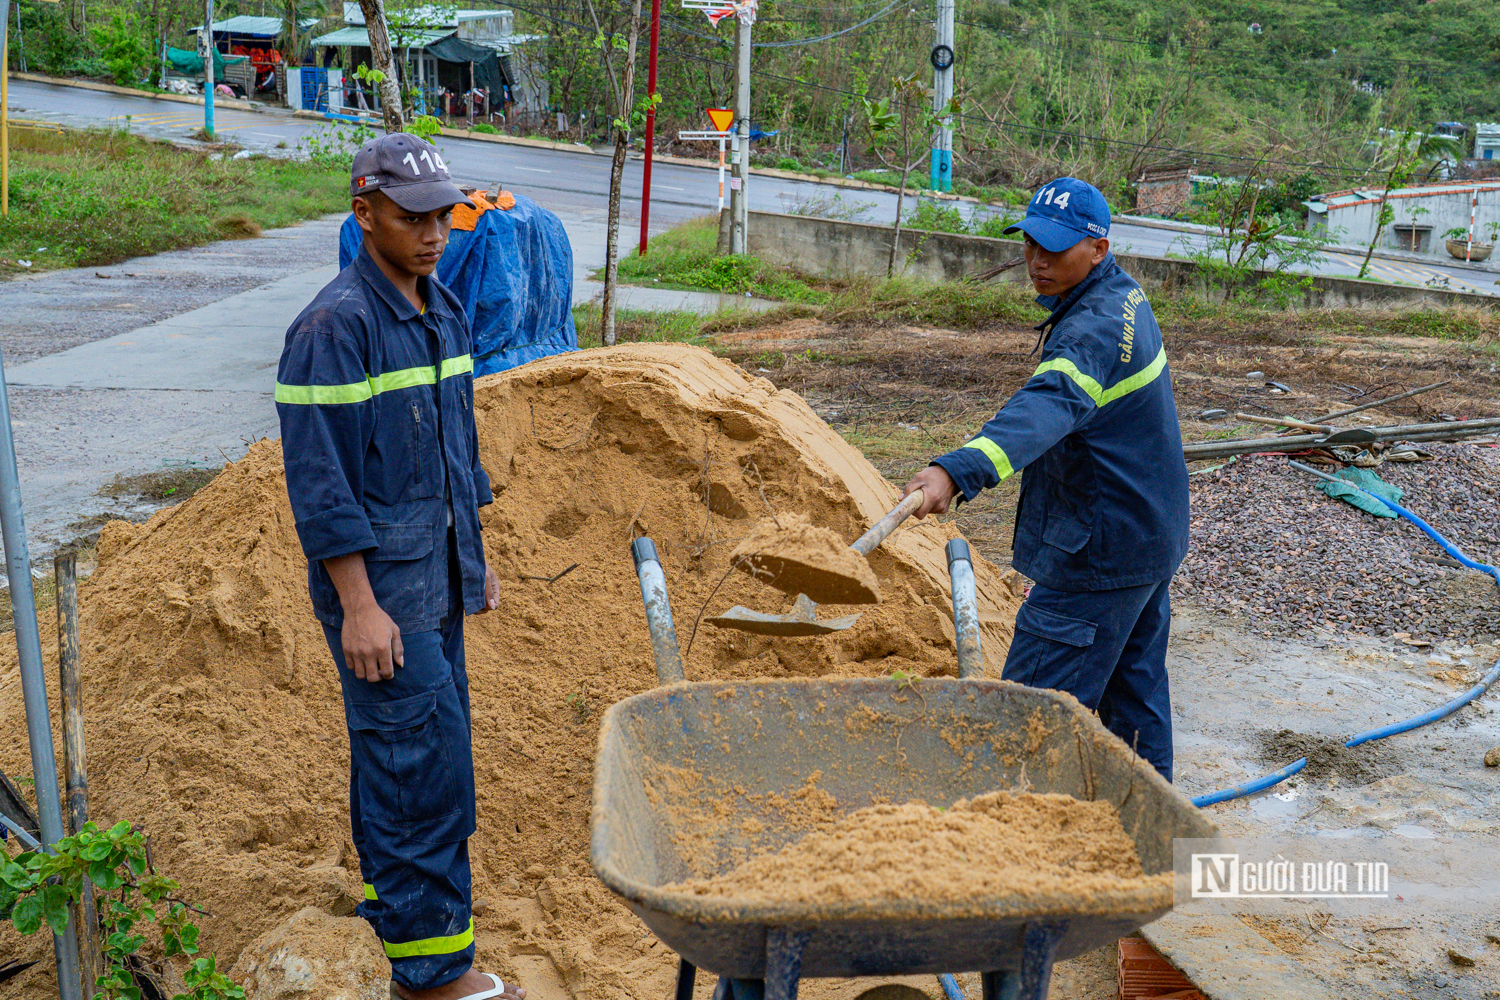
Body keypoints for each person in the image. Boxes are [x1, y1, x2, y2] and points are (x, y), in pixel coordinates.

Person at [275, 132, 526, 1000]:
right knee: (416, 771)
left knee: (417, 758)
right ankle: (432, 977)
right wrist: (358, 606)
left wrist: (475, 561)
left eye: (442, 217)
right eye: (411, 216)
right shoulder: (333, 329)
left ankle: (399, 929)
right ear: (365, 212)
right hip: (384, 598)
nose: (432, 232)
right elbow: (321, 483)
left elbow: (458, 449)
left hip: (438, 583)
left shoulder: (440, 309)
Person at [901, 177, 1189, 782]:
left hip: (1098, 551)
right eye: (1031, 244)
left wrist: (955, 471)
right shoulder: (1122, 296)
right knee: (1132, 707)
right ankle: (1154, 845)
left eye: (1054, 250)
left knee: (1024, 719)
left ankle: (1010, 844)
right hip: (1147, 535)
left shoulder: (1092, 331)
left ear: (1098, 249)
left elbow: (1046, 407)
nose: (1036, 262)